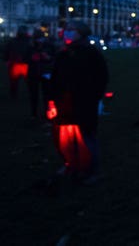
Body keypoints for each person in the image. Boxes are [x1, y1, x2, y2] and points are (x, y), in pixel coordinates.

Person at [49, 21, 109, 182]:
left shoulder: (90, 53)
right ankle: (70, 163)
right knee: (66, 136)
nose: (67, 33)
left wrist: (93, 96)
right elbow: (56, 78)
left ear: (81, 33)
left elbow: (101, 77)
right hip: (65, 101)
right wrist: (53, 99)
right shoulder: (63, 53)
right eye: (66, 30)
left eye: (71, 30)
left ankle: (92, 169)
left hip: (84, 101)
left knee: (86, 135)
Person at [26, 29, 55, 118]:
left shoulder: (49, 45)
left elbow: (54, 57)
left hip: (45, 72)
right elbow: (25, 58)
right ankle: (34, 113)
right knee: (34, 94)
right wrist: (32, 58)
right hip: (34, 73)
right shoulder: (31, 46)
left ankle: (47, 113)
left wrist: (47, 57)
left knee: (47, 94)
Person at [3, 25, 31, 101]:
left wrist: (6, 59)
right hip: (21, 64)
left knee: (15, 81)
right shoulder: (28, 41)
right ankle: (16, 95)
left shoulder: (14, 41)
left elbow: (6, 50)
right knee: (24, 81)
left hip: (19, 63)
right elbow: (7, 50)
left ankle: (14, 95)